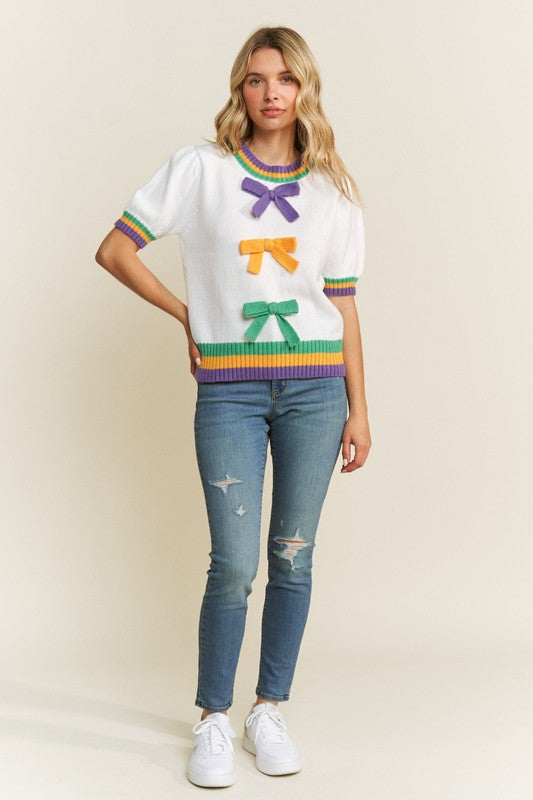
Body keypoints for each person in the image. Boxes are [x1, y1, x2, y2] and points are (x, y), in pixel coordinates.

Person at [95, 25, 371, 789]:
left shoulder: (333, 191)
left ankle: (268, 708)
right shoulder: (201, 170)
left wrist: (359, 408)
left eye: (284, 78)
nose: (270, 92)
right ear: (238, 89)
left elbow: (344, 307)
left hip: (317, 392)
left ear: (304, 87)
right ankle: (212, 717)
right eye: (256, 79)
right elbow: (115, 250)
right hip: (230, 392)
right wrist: (188, 316)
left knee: (293, 557)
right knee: (234, 564)